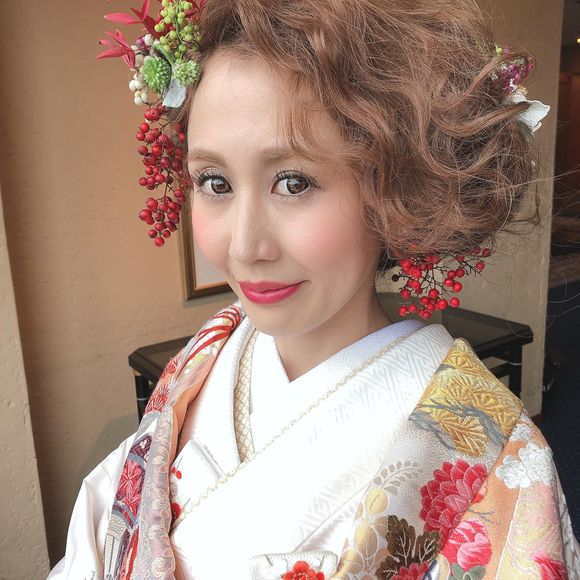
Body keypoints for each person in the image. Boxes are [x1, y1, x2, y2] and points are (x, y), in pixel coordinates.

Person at [50, 0, 579, 578]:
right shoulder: (206, 355)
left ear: (393, 190)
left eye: (293, 182)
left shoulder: (492, 455)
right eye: (215, 182)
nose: (245, 246)